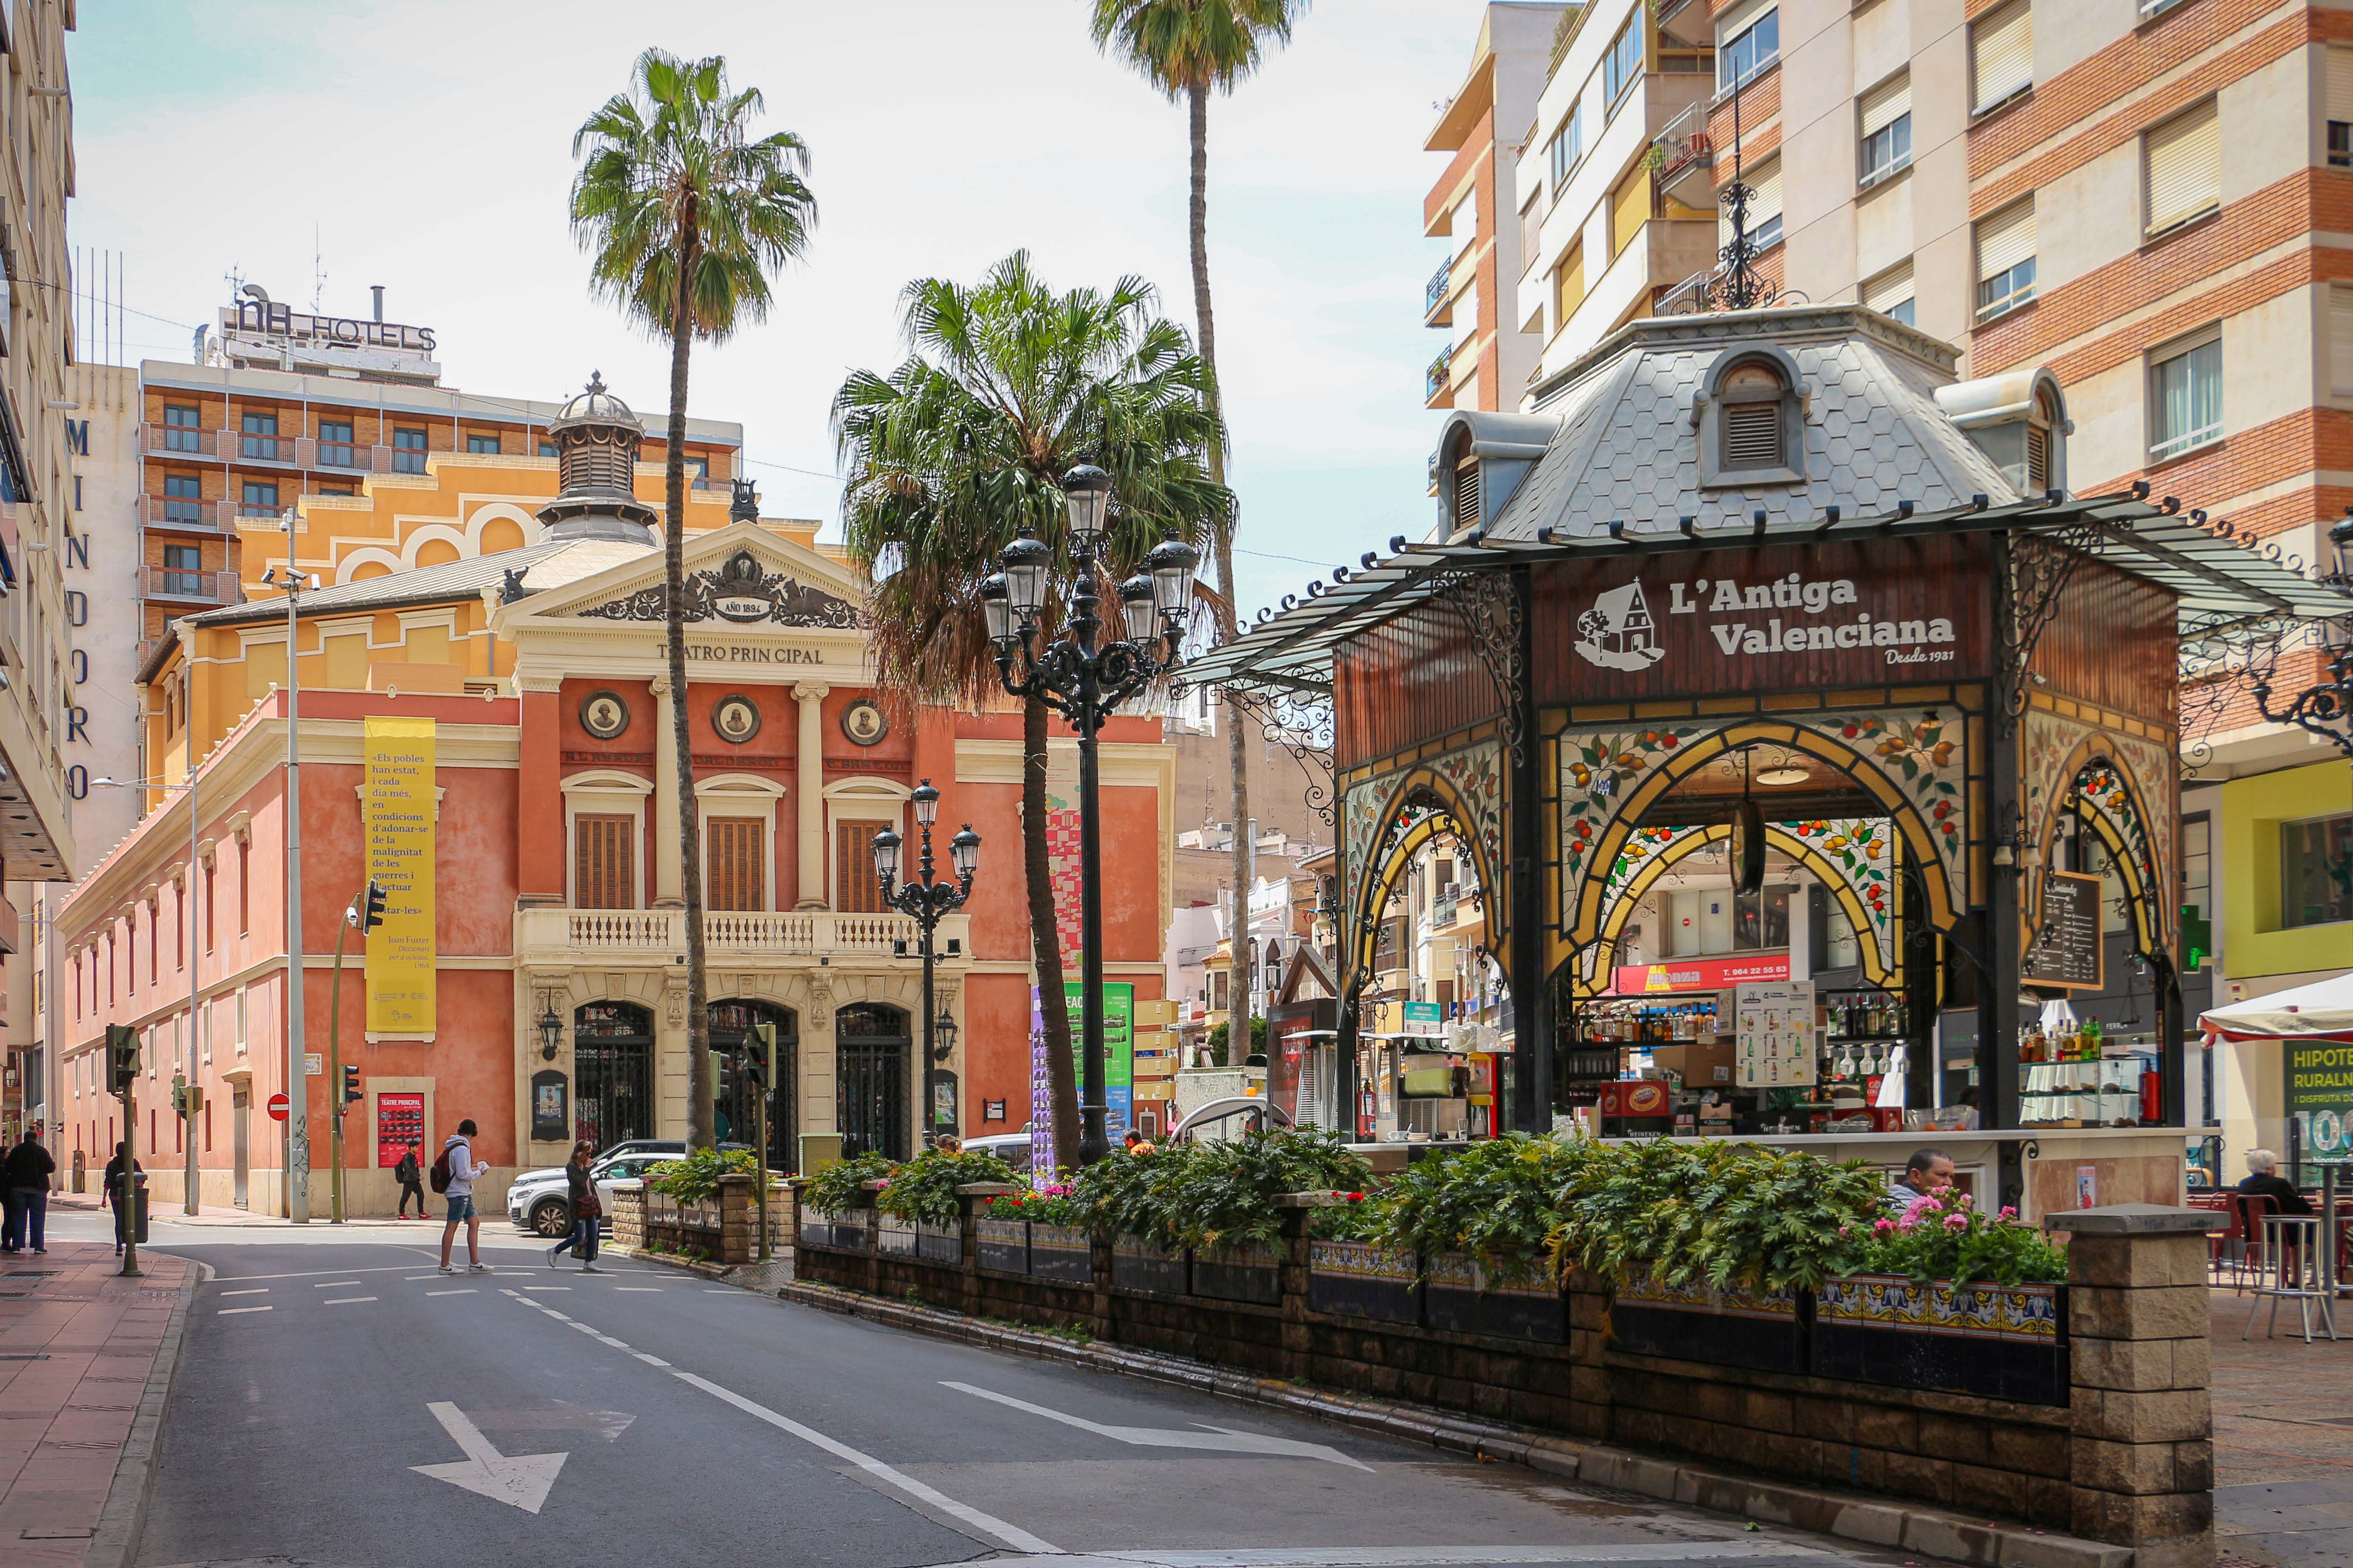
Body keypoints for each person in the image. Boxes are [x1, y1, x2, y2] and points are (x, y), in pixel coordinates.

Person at [437, 1120, 489, 1275]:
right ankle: (445, 1265)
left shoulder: (454, 1146)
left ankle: (475, 1262)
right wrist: (480, 1172)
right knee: (452, 1227)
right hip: (459, 1193)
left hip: (463, 1192)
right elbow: (463, 1174)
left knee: (474, 1222)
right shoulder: (461, 1149)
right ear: (473, 1132)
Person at [549, 1140, 603, 1272]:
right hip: (578, 1206)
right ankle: (555, 1251)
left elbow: (590, 1187)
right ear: (580, 1153)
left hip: (591, 1205)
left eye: (590, 1153)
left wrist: (598, 1205)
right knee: (580, 1236)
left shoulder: (585, 1168)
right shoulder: (572, 1166)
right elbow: (578, 1183)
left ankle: (589, 1262)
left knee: (593, 1234)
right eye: (587, 1153)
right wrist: (586, 1168)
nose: (589, 1156)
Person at [3, 1126, 56, 1254]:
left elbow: (8, 1167)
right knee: (38, 1218)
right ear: (36, 1138)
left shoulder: (16, 1151)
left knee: (18, 1218)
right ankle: (38, 1247)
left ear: (24, 1138)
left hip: (18, 1188)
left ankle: (17, 1246)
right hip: (38, 1189)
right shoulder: (41, 1151)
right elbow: (50, 1168)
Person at [2237, 1148, 2312, 1216]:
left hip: (2251, 1229)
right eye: (2274, 1165)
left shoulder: (2244, 1184)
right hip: (2278, 1229)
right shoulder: (2279, 1183)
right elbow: (2302, 1208)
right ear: (2269, 1168)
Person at [100, 1141, 143, 1256]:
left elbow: (108, 1182)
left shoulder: (112, 1165)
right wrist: (139, 1186)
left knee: (119, 1220)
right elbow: (141, 1177)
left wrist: (104, 1198)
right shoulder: (133, 1162)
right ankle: (131, 1243)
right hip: (131, 1195)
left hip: (116, 1196)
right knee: (131, 1219)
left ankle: (119, 1245)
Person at [1887, 1147, 1955, 1215]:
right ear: (1916, 1176)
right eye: (1942, 1175)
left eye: (1951, 1177)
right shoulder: (1909, 1210)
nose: (1949, 1183)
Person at [393, 1142, 427, 1218]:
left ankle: (421, 1213)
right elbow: (408, 1168)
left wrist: (417, 1177)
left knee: (421, 1195)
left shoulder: (413, 1157)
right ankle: (401, 1214)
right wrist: (418, 1175)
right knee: (405, 1197)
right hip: (408, 1181)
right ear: (411, 1148)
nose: (418, 1149)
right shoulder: (407, 1157)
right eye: (416, 1147)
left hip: (414, 1181)